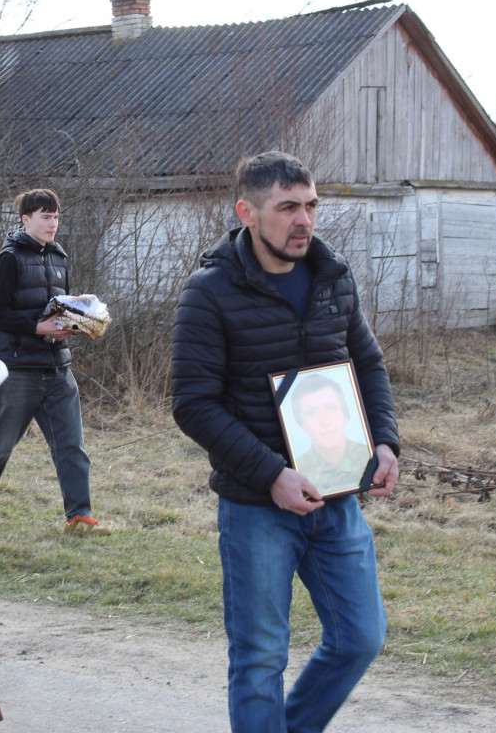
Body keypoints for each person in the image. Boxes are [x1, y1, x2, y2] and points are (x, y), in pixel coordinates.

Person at [171, 151, 400, 733]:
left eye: (311, 206)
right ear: (247, 212)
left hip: (336, 495)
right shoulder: (209, 292)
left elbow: (367, 364)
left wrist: (385, 442)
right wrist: (273, 474)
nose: (304, 220)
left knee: (360, 638)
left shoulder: (332, 277)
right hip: (257, 506)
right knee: (260, 660)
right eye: (288, 207)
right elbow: (193, 404)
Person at [0, 188, 108, 535]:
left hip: (57, 366)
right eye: (45, 217)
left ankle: (79, 517)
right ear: (25, 220)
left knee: (71, 445)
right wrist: (37, 327)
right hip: (16, 368)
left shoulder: (59, 257)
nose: (53, 223)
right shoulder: (8, 259)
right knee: (1, 444)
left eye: (55, 216)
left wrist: (79, 319)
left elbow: (57, 308)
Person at [289, 373, 372, 495]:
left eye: (331, 408)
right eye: (312, 413)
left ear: (345, 415)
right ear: (302, 425)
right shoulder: (296, 473)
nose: (325, 422)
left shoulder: (369, 458)